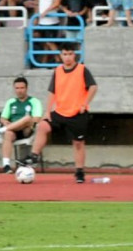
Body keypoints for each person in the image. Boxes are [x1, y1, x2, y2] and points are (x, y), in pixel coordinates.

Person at [21, 43, 98, 184]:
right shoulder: (57, 71)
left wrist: (84, 103)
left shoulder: (82, 70)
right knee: (43, 126)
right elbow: (52, 92)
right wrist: (48, 111)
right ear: (60, 55)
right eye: (64, 54)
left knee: (78, 143)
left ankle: (79, 172)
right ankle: (34, 156)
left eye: (70, 54)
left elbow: (93, 87)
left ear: (74, 55)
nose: (67, 57)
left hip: (77, 113)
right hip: (60, 111)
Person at [0, 77, 43, 173]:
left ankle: (1, 130)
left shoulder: (34, 101)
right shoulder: (11, 102)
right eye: (17, 88)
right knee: (8, 134)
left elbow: (37, 119)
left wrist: (20, 123)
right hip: (13, 131)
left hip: (27, 130)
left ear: (26, 88)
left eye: (22, 88)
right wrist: (5, 122)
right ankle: (6, 165)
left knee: (27, 118)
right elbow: (2, 118)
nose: (19, 91)